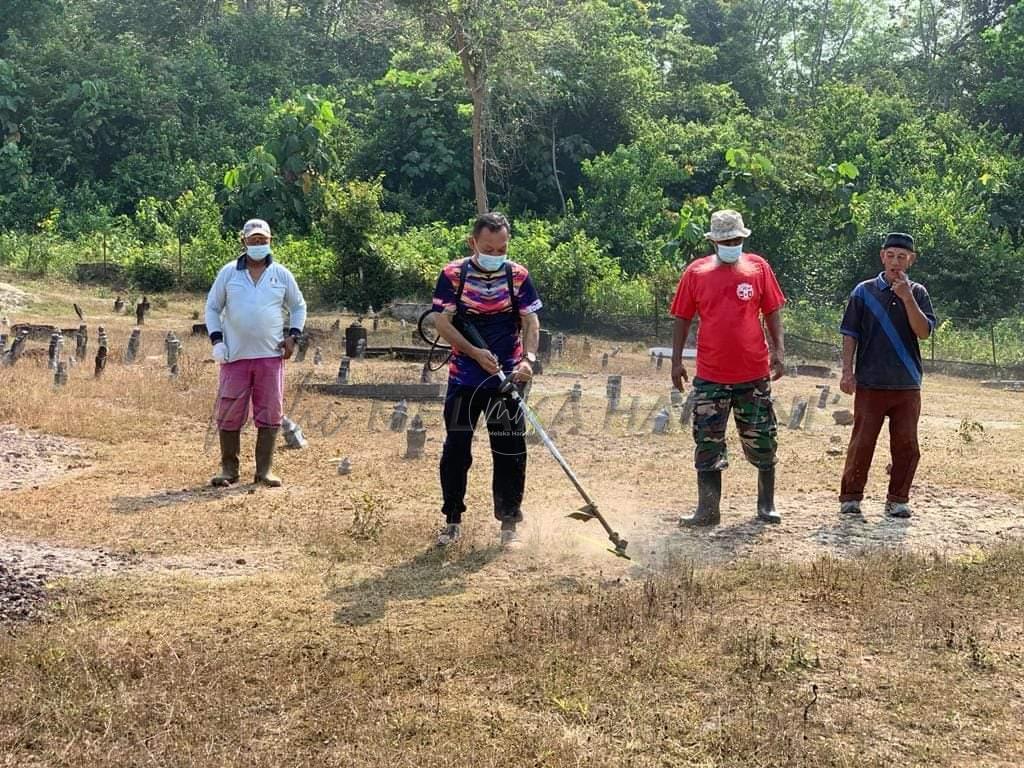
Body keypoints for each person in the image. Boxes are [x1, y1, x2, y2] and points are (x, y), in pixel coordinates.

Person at [430, 212, 543, 547]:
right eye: (489, 248)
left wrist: (528, 360)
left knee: (510, 450)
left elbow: (531, 321)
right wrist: (475, 353)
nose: (496, 254)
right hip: (465, 376)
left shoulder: (518, 276)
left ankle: (509, 524)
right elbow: (442, 322)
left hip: (507, 378)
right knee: (456, 449)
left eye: (502, 248)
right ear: (473, 243)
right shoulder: (453, 275)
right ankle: (452, 520)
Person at [670, 209, 787, 526]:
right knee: (708, 442)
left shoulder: (758, 268)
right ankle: (708, 510)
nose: (731, 244)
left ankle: (766, 504)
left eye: (735, 239)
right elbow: (682, 317)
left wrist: (779, 350)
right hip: (710, 375)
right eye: (725, 240)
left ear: (743, 238)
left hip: (753, 373)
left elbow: (773, 311)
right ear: (714, 242)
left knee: (763, 439)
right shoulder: (696, 273)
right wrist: (677, 361)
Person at [838, 232, 937, 518]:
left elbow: (924, 332)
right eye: (891, 255)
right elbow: (850, 333)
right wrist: (847, 371)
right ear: (882, 257)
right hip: (870, 382)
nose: (896, 262)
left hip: (907, 383)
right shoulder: (863, 291)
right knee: (862, 442)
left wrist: (906, 298)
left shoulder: (918, 292)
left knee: (907, 445)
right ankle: (851, 497)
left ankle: (898, 499)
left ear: (911, 260)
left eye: (902, 257)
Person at [205, 218, 307, 488]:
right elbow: (212, 308)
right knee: (229, 412)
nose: (258, 245)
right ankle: (229, 470)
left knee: (270, 412)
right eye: (253, 240)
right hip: (235, 356)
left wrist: (293, 336)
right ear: (243, 241)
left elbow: (298, 306)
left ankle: (264, 471)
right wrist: (217, 340)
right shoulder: (228, 273)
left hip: (270, 357)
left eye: (263, 241)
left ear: (270, 241)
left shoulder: (281, 274)